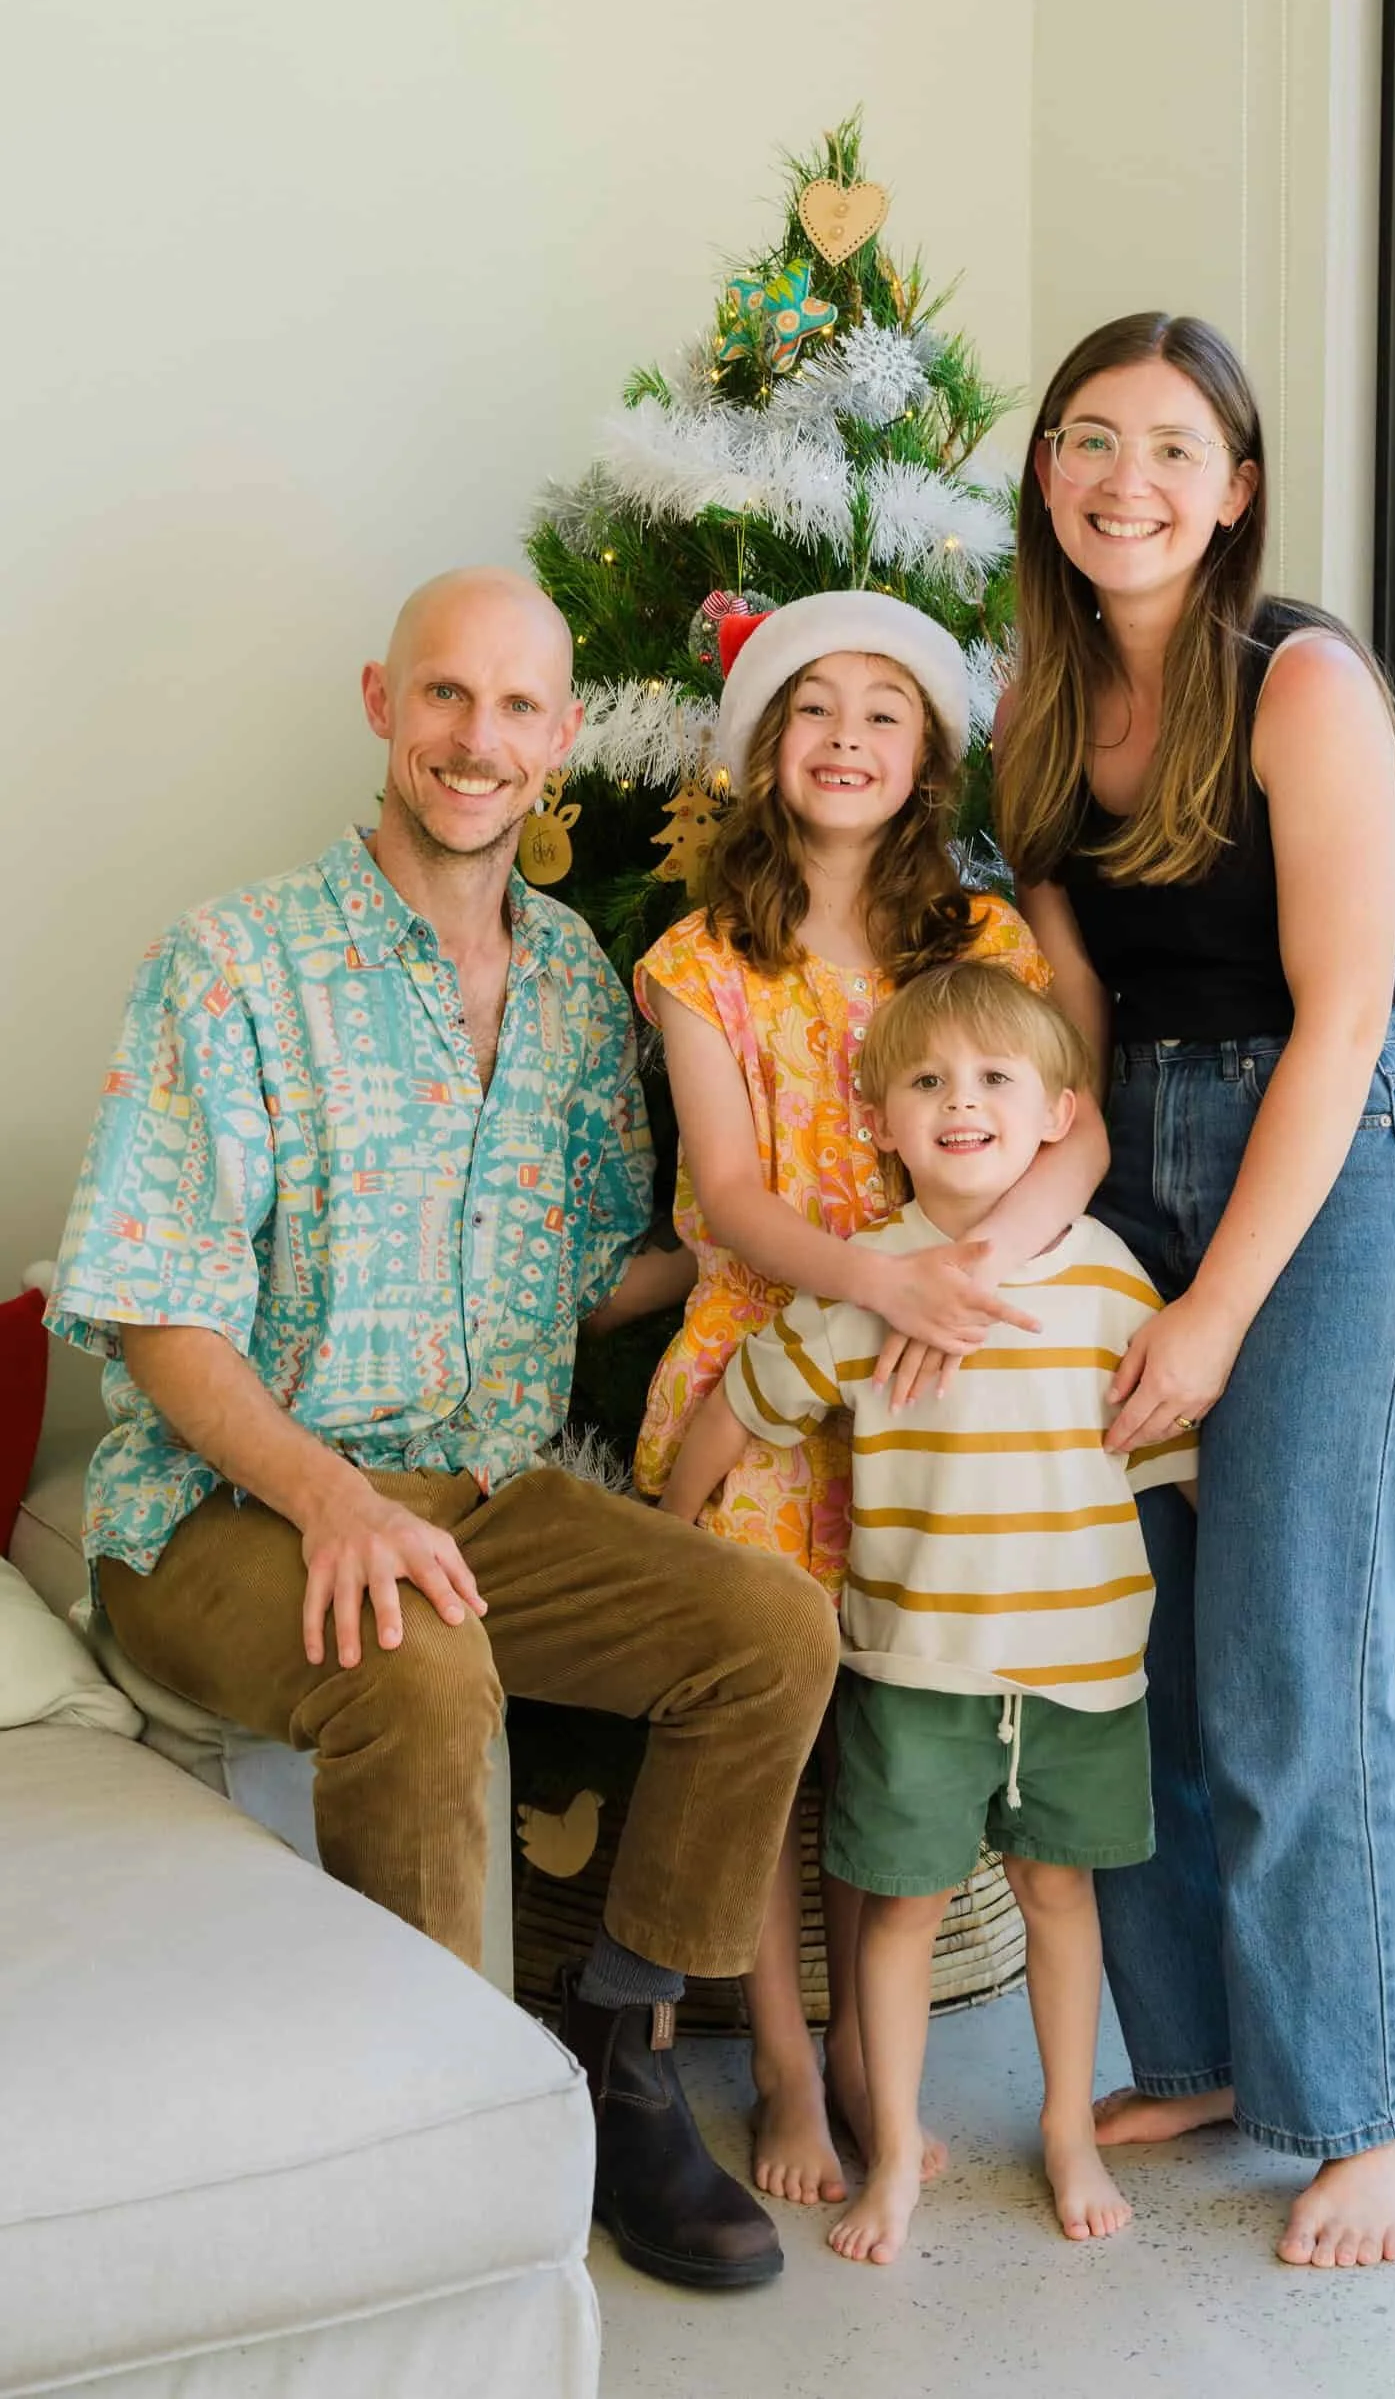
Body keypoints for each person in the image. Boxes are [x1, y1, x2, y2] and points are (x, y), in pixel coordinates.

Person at [45, 567, 840, 2294]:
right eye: (443, 698)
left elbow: (601, 1267)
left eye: (516, 709)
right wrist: (331, 1501)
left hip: (483, 1494)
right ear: (381, 704)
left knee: (769, 1629)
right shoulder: (234, 963)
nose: (478, 741)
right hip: (222, 1506)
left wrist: (784, 1244)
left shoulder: (572, 985)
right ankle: (442, 2161)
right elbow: (161, 1308)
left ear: (562, 739)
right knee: (415, 1665)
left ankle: (623, 2064)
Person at [994, 313, 1395, 2271]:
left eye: (1174, 447)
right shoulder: (1030, 713)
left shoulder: (1302, 680)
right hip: (1146, 1160)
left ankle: (1369, 2107)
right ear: (1048, 474)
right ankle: (1201, 2049)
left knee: (1291, 1656)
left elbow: (1345, 1011)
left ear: (1239, 482)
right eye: (1092, 441)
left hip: (1326, 1168)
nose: (1129, 481)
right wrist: (1054, 1249)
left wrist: (1211, 1311)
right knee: (1146, 1652)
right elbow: (1081, 1032)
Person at [634, 591, 1110, 2207]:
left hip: (941, 1361)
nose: (847, 737)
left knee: (896, 1722)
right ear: (768, 750)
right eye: (813, 709)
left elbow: (1079, 1131)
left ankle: (862, 2048)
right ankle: (782, 2056)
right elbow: (729, 1189)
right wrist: (877, 1279)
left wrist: (970, 1276)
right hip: (774, 1358)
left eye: (884, 713)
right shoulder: (703, 961)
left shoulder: (980, 942)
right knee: (764, 1724)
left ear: (928, 759)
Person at [662, 961, 1197, 2262]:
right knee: (899, 1911)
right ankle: (896, 2151)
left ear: (1059, 1114)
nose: (962, 1103)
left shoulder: (1112, 1283)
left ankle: (1067, 2125)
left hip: (1079, 1675)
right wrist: (671, 1536)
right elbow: (742, 1401)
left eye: (996, 1080)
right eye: (928, 1083)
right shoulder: (871, 1287)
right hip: (917, 1672)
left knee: (1059, 1898)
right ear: (886, 1122)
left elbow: (1167, 1461)